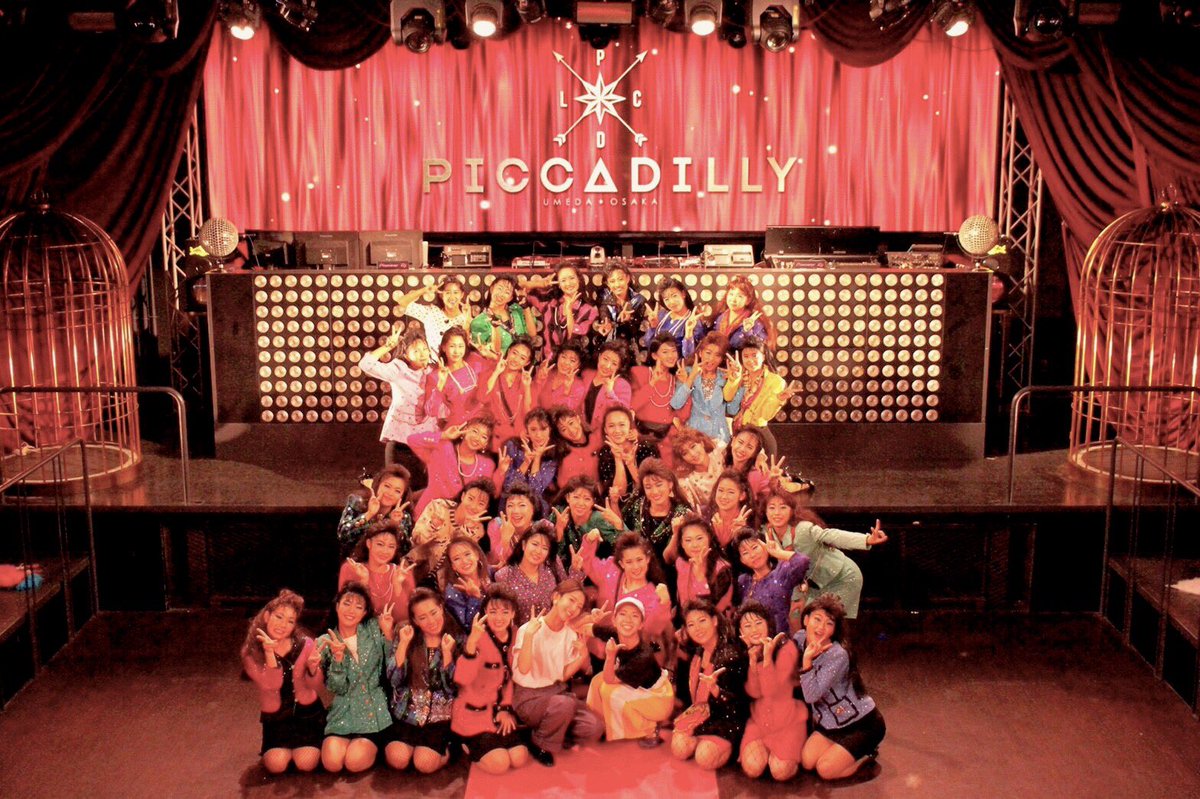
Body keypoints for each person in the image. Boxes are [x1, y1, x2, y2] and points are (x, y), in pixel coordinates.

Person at [511, 577, 605, 765]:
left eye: (579, 606)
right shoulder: (529, 628)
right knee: (564, 704)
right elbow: (523, 669)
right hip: (529, 698)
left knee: (594, 727)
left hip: (556, 694)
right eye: (571, 600)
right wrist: (529, 636)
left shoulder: (569, 634)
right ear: (556, 597)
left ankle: (552, 732)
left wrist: (581, 656)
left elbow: (562, 675)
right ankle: (540, 744)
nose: (574, 608)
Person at [796, 594, 886, 780]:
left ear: (834, 629)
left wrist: (806, 662)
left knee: (825, 770)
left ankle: (866, 755)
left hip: (862, 724)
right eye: (817, 619)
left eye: (829, 623)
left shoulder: (838, 655)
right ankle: (841, 753)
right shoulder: (799, 638)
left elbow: (811, 695)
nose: (821, 627)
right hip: (829, 723)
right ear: (806, 620)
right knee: (807, 762)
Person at [762, 489, 887, 622]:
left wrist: (866, 539)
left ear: (792, 511)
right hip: (813, 585)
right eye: (772, 508)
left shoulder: (804, 529)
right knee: (806, 620)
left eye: (783, 507)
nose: (777, 513)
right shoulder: (767, 532)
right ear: (765, 511)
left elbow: (833, 536)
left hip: (842, 577)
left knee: (828, 622)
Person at [241, 589, 325, 774]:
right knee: (277, 765)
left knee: (306, 763)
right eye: (279, 617)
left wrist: (313, 669)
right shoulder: (251, 652)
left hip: (307, 715)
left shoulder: (306, 644)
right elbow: (271, 686)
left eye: (290, 621)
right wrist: (270, 654)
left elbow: (316, 686)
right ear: (267, 616)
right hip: (277, 719)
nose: (283, 625)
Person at [452, 586, 531, 775]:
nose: (499, 618)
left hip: (499, 712)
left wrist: (505, 709)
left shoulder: (517, 634)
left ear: (513, 613)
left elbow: (510, 678)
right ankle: (464, 744)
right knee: (499, 764)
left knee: (519, 757)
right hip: (474, 714)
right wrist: (471, 644)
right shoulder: (478, 637)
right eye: (493, 612)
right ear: (485, 612)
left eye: (505, 612)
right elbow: (462, 679)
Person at [318, 583, 396, 773]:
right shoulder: (324, 641)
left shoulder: (373, 629)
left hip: (372, 712)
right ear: (337, 606)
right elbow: (337, 688)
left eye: (358, 606)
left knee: (353, 763)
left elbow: (391, 666)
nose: (351, 610)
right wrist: (338, 660)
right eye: (347, 603)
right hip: (341, 713)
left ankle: (375, 747)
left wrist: (388, 633)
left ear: (364, 613)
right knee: (332, 763)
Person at [384, 588, 461, 774]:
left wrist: (447, 655)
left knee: (424, 764)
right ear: (415, 620)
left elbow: (453, 688)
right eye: (422, 617)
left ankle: (450, 750)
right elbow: (394, 680)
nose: (431, 621)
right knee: (397, 759)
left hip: (439, 718)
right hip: (407, 713)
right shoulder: (406, 634)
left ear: (441, 608)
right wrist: (403, 643)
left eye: (433, 612)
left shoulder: (457, 638)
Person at [670, 600, 749, 771]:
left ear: (714, 621)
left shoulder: (730, 655)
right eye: (691, 624)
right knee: (679, 749)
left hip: (727, 720)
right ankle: (702, 740)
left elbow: (739, 705)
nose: (697, 628)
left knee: (704, 758)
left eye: (702, 620)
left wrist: (716, 690)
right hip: (704, 715)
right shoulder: (698, 653)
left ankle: (722, 747)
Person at [585, 596, 674, 746]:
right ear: (614, 620)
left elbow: (609, 679)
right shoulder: (615, 633)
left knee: (608, 690)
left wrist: (610, 656)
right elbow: (585, 628)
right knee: (596, 681)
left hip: (658, 699)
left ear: (641, 624)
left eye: (634, 616)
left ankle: (649, 729)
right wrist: (592, 619)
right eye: (623, 614)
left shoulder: (643, 655)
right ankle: (599, 725)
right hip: (638, 688)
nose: (628, 620)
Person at [736, 602, 806, 781]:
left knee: (780, 772)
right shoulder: (748, 650)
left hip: (788, 722)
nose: (754, 630)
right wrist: (753, 661)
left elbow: (771, 691)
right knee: (752, 768)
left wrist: (766, 659)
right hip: (760, 721)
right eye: (747, 626)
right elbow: (754, 693)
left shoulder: (786, 647)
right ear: (741, 632)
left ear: (768, 624)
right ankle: (767, 753)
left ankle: (783, 754)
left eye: (759, 623)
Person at [357, 327, 439, 470]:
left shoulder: (435, 370)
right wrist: (387, 347)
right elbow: (366, 364)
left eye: (425, 349)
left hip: (427, 437)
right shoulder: (398, 369)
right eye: (416, 351)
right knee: (396, 478)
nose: (422, 354)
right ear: (406, 354)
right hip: (400, 436)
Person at [578, 530, 673, 646]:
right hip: (592, 646)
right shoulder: (611, 569)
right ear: (621, 563)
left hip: (623, 652)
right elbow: (585, 563)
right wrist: (589, 541)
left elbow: (650, 630)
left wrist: (664, 603)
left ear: (648, 559)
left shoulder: (653, 594)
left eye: (639, 560)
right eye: (629, 562)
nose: (636, 567)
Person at [721, 336, 798, 458]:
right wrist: (734, 379)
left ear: (763, 356)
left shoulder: (776, 381)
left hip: (759, 436)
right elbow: (727, 397)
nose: (750, 360)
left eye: (754, 355)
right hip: (737, 432)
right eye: (746, 356)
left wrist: (778, 399)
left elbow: (766, 415)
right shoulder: (739, 374)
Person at [494, 521, 581, 626]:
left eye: (545, 548)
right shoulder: (503, 576)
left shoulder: (552, 565)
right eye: (535, 544)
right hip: (523, 633)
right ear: (524, 545)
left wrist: (575, 570)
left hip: (552, 630)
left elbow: (567, 593)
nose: (538, 551)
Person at [612, 458, 692, 572]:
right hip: (636, 569)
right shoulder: (638, 505)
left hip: (669, 574)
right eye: (648, 487)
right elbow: (622, 532)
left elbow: (670, 559)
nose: (654, 491)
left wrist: (675, 534)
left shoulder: (682, 513)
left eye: (659, 485)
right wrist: (614, 503)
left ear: (670, 484)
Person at [407, 416, 496, 518]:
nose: (477, 438)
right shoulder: (443, 447)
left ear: (486, 444)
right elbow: (412, 440)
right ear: (464, 430)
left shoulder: (487, 465)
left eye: (484, 437)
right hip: (426, 513)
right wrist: (444, 435)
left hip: (455, 519)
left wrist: (501, 472)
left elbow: (485, 496)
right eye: (475, 431)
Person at [733, 529, 811, 635]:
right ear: (742, 560)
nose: (752, 555)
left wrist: (778, 553)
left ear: (765, 546)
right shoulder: (743, 581)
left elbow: (803, 561)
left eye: (755, 547)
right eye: (745, 553)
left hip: (779, 639)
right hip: (753, 639)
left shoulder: (781, 572)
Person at [672, 332, 743, 445]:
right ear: (700, 353)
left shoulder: (726, 376)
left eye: (717, 355)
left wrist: (737, 381)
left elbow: (732, 410)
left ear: (722, 358)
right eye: (708, 353)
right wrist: (691, 378)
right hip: (694, 437)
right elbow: (676, 404)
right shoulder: (687, 372)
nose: (711, 359)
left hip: (719, 438)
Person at [629, 334, 689, 461]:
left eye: (674, 351)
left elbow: (683, 415)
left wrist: (685, 386)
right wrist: (652, 383)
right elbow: (632, 406)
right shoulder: (639, 372)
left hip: (667, 440)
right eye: (665, 352)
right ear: (654, 355)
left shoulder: (676, 380)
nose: (671, 356)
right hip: (639, 436)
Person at [494, 407, 562, 517]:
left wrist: (537, 458)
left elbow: (536, 490)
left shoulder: (553, 456)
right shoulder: (512, 446)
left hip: (536, 511)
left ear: (550, 429)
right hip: (510, 506)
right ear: (527, 430)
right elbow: (509, 486)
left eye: (543, 429)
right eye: (533, 429)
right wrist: (526, 462)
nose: (538, 435)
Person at [336, 465, 414, 557]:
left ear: (402, 496)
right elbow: (343, 535)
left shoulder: (403, 516)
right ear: (378, 484)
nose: (390, 493)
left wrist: (395, 525)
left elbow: (405, 550)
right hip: (354, 562)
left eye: (397, 491)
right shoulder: (358, 502)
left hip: (386, 565)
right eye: (387, 486)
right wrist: (369, 514)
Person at [663, 514, 734, 614]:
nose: (694, 545)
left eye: (699, 538)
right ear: (682, 544)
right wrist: (675, 534)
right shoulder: (681, 562)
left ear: (709, 538)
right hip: (684, 620)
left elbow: (708, 611)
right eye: (688, 540)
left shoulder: (722, 569)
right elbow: (668, 558)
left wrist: (700, 574)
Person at [339, 522, 415, 615]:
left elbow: (404, 616)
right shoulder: (350, 569)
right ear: (369, 543)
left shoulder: (403, 574)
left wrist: (397, 585)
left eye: (391, 546)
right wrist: (363, 582)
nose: (385, 551)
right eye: (380, 544)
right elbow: (347, 613)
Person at [524, 265, 597, 359]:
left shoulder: (589, 310)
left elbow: (573, 338)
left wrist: (569, 309)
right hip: (547, 361)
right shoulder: (549, 302)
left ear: (579, 279)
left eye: (572, 278)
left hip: (571, 362)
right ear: (558, 284)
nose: (568, 283)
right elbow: (520, 288)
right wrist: (541, 283)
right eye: (563, 280)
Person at [550, 475, 619, 569]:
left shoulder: (600, 519)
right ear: (567, 497)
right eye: (576, 497)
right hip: (561, 571)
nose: (581, 503)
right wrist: (559, 531)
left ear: (593, 501)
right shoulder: (559, 514)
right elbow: (549, 554)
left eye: (587, 499)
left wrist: (618, 523)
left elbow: (627, 547)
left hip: (595, 572)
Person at [425, 327, 487, 427]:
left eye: (460, 346)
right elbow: (431, 411)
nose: (456, 351)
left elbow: (498, 374)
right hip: (459, 426)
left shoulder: (475, 361)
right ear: (444, 347)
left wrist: (490, 355)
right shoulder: (435, 376)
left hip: (483, 422)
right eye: (452, 346)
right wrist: (440, 384)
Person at [481, 336, 536, 449]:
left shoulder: (526, 381)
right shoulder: (492, 373)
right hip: (491, 437)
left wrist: (527, 387)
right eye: (514, 353)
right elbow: (482, 397)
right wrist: (496, 372)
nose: (516, 359)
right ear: (509, 351)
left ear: (527, 363)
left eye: (522, 358)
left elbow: (528, 412)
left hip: (516, 437)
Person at [396, 275, 474, 353]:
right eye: (448, 293)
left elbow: (467, 347)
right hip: (431, 360)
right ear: (441, 295)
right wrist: (424, 290)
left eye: (456, 292)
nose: (452, 297)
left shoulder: (466, 319)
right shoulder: (431, 312)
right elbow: (402, 302)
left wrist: (467, 321)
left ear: (462, 295)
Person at [595, 405, 657, 501]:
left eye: (622, 425)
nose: (617, 430)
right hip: (621, 505)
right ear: (605, 430)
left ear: (630, 426)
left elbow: (653, 486)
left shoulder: (647, 447)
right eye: (611, 426)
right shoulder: (605, 453)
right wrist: (618, 459)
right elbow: (619, 494)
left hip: (650, 500)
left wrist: (630, 464)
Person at [590, 263, 648, 362]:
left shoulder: (639, 300)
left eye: (620, 279)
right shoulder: (603, 299)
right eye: (612, 281)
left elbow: (640, 330)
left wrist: (629, 320)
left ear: (628, 278)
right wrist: (605, 326)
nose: (617, 285)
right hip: (608, 346)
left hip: (631, 348)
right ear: (608, 284)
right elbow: (601, 319)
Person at [641, 278, 704, 360]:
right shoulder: (662, 315)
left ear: (683, 294)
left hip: (678, 365)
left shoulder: (694, 321)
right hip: (658, 364)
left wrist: (688, 333)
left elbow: (689, 356)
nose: (671, 302)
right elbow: (648, 344)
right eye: (666, 299)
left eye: (674, 296)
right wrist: (653, 327)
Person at [579, 341, 633, 434]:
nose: (607, 366)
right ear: (599, 356)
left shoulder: (622, 385)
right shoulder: (586, 374)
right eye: (605, 359)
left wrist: (610, 392)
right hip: (581, 430)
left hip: (604, 435)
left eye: (614, 364)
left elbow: (623, 415)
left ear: (619, 367)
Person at [707, 277, 770, 355]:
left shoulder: (754, 321)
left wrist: (747, 331)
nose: (733, 299)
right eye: (731, 294)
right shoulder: (719, 318)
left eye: (740, 296)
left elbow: (760, 351)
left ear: (748, 300)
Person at [470, 275, 531, 355]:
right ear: (492, 288)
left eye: (507, 292)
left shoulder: (516, 310)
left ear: (511, 297)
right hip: (499, 362)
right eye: (499, 288)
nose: (501, 294)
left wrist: (526, 307)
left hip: (524, 361)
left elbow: (532, 334)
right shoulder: (479, 322)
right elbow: (485, 353)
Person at [439, 535, 491, 630]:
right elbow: (467, 627)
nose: (464, 561)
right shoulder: (452, 593)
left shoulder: (489, 572)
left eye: (467, 554)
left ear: (476, 555)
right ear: (453, 566)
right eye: (457, 559)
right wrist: (474, 598)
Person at [484, 484, 541, 567]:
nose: (515, 511)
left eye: (522, 505)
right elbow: (493, 563)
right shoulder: (496, 525)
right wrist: (505, 540)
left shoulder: (542, 528)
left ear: (533, 509)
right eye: (510, 505)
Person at [671, 427, 725, 510]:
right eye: (685, 453)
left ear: (701, 443)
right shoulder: (688, 482)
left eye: (693, 446)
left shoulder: (721, 453)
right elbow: (687, 510)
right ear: (682, 459)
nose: (692, 454)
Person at [533, 338, 587, 414]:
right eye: (563, 357)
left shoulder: (579, 386)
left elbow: (567, 414)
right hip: (539, 417)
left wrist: (566, 391)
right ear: (558, 356)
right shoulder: (547, 373)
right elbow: (532, 398)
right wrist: (539, 380)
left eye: (572, 361)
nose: (566, 363)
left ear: (578, 365)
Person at [706, 470, 756, 547]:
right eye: (720, 490)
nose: (724, 496)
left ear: (742, 495)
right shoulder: (705, 514)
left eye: (730, 492)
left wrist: (743, 533)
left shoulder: (751, 520)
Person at [550, 406, 599, 485]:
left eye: (571, 423)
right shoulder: (559, 451)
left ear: (578, 419)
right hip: (568, 492)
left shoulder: (596, 439)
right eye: (564, 429)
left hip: (596, 491)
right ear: (560, 434)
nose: (571, 431)